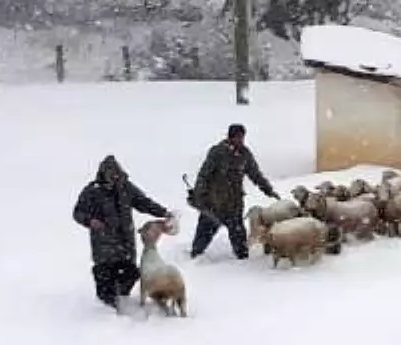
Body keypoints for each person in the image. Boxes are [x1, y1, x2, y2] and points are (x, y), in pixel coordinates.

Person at [72, 155, 172, 310]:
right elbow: (78, 212)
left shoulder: (126, 188)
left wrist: (163, 212)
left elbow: (144, 203)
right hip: (103, 246)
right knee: (106, 285)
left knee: (130, 274)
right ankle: (107, 312)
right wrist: (90, 221)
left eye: (116, 175)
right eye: (110, 175)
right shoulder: (92, 191)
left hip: (125, 245)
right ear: (103, 174)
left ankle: (121, 299)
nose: (114, 178)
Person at [189, 123, 280, 260]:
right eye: (237, 137)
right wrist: (199, 196)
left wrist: (268, 189)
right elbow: (204, 175)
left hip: (234, 203)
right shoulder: (217, 152)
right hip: (214, 203)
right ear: (230, 137)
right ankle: (195, 255)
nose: (240, 140)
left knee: (238, 234)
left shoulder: (244, 154)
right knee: (205, 230)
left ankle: (241, 259)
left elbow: (255, 174)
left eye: (242, 137)